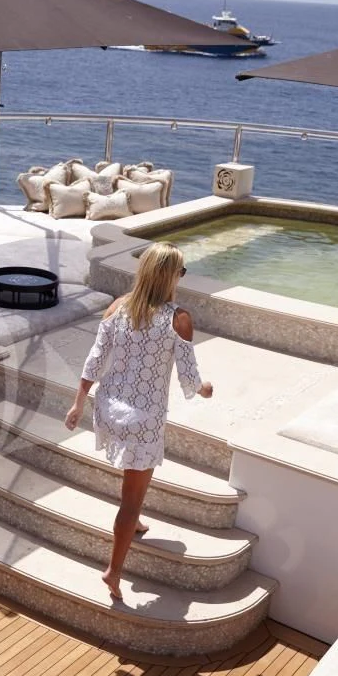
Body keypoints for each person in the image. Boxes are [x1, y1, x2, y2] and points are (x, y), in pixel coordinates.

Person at [63, 243, 213, 603]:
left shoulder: (118, 307)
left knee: (133, 483)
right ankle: (114, 570)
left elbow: (94, 362)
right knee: (130, 501)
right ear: (170, 276)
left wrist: (77, 404)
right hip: (143, 421)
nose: (182, 277)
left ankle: (137, 520)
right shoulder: (179, 318)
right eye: (182, 271)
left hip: (110, 409)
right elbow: (190, 379)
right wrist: (206, 390)